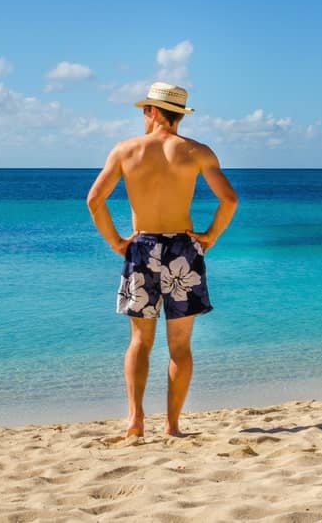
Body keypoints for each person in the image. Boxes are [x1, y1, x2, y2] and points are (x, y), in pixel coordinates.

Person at [87, 81, 238, 438]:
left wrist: (116, 242)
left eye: (144, 110)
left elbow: (94, 200)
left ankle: (136, 421)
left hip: (142, 248)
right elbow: (229, 200)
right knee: (181, 345)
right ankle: (172, 426)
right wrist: (211, 236)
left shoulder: (126, 150)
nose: (142, 116)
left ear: (153, 112)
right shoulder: (197, 152)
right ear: (179, 116)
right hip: (184, 251)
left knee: (140, 341)